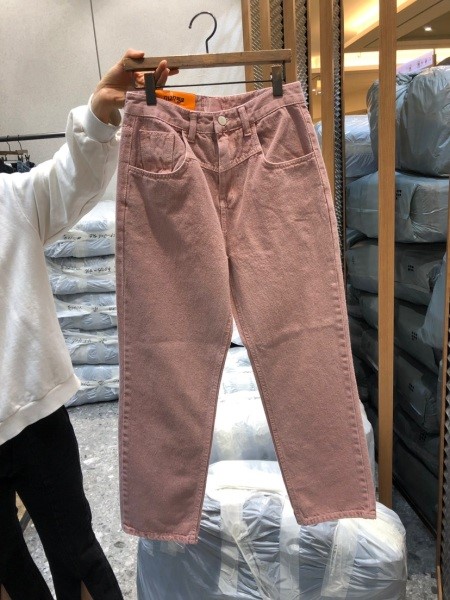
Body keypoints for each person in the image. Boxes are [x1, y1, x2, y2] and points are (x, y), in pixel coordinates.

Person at [0, 49, 174, 600]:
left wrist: (99, 114)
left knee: (77, 556)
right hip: (33, 409)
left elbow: (67, 182)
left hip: (33, 414)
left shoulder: (7, 199)